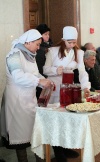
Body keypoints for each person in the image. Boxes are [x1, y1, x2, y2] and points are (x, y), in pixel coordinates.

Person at [0, 29, 53, 162]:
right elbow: (18, 77)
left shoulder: (30, 54)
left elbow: (35, 75)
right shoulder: (14, 54)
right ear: (28, 42)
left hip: (29, 99)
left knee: (35, 134)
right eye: (37, 44)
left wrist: (45, 81)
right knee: (20, 138)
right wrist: (39, 81)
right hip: (16, 100)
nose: (38, 47)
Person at [43, 26, 91, 162]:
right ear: (63, 40)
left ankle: (64, 147)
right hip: (54, 89)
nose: (71, 45)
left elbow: (82, 72)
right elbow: (45, 69)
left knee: (67, 121)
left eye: (74, 42)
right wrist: (55, 70)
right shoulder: (52, 51)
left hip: (68, 89)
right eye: (69, 42)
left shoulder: (79, 53)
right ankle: (58, 151)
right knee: (55, 121)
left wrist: (85, 86)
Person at [36, 23, 52, 99]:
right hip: (42, 77)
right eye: (45, 34)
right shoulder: (39, 49)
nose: (48, 36)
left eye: (48, 34)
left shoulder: (49, 46)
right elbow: (39, 66)